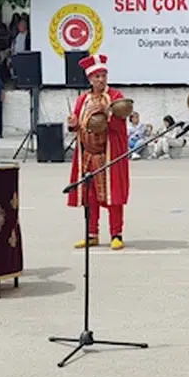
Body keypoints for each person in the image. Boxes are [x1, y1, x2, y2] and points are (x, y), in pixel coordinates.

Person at [66, 54, 131, 250]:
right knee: (90, 195)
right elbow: (76, 123)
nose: (101, 79)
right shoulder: (82, 100)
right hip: (87, 155)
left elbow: (120, 121)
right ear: (90, 79)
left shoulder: (116, 97)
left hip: (108, 153)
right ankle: (91, 233)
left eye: (103, 75)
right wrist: (73, 124)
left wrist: (107, 121)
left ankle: (116, 234)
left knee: (113, 196)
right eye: (97, 76)